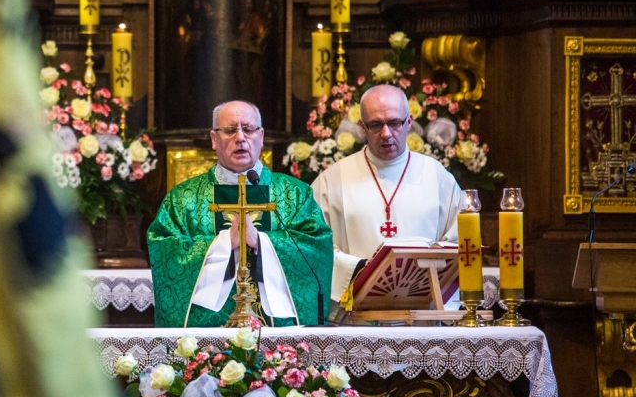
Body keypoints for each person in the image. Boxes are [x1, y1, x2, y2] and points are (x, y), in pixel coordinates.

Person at [147, 101, 333, 327]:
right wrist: (225, 242)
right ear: (214, 139)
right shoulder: (183, 199)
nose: (241, 138)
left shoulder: (295, 194)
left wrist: (261, 241)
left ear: (261, 136)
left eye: (248, 129)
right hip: (205, 335)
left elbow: (317, 247)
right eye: (229, 130)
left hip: (280, 335)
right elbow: (165, 252)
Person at [311, 85, 462, 307]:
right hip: (355, 318)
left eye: (394, 123)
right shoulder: (331, 181)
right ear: (362, 127)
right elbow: (314, 247)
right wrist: (364, 272)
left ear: (409, 122)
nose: (386, 134)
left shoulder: (438, 177)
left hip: (422, 317)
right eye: (375, 125)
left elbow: (458, 244)